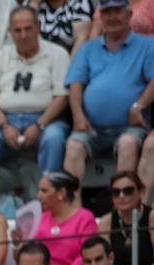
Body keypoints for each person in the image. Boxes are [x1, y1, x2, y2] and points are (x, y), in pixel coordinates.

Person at [0, 6, 70, 192]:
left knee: (54, 138)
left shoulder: (57, 54)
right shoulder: (0, 57)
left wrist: (39, 125)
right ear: (10, 32)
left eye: (28, 29)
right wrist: (4, 126)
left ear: (38, 27)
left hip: (46, 120)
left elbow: (61, 98)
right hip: (6, 120)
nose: (23, 35)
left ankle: (49, 203)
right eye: (17, 30)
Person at [63, 0, 154, 185]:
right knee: (73, 147)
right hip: (91, 128)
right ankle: (72, 212)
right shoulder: (88, 48)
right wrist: (78, 116)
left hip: (130, 127)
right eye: (107, 12)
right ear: (100, 17)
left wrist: (139, 105)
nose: (112, 17)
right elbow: (75, 84)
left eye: (117, 12)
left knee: (127, 144)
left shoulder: (148, 45)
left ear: (129, 15)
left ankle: (123, 211)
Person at [23, 170, 97, 265]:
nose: (38, 195)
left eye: (44, 191)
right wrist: (17, 245)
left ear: (61, 193)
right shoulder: (40, 218)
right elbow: (28, 255)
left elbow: (87, 255)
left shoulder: (85, 218)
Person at [99, 170, 154, 265]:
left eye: (128, 191)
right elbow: (103, 261)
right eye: (116, 192)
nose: (122, 196)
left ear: (141, 192)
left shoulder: (151, 217)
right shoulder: (106, 222)